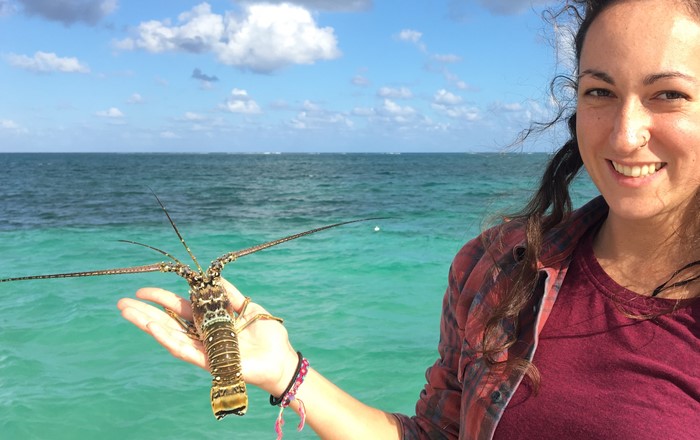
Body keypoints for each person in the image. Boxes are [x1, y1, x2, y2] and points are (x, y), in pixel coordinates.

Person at [117, 0, 700, 438]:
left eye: (669, 95)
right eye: (599, 92)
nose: (624, 134)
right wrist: (286, 372)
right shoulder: (496, 266)